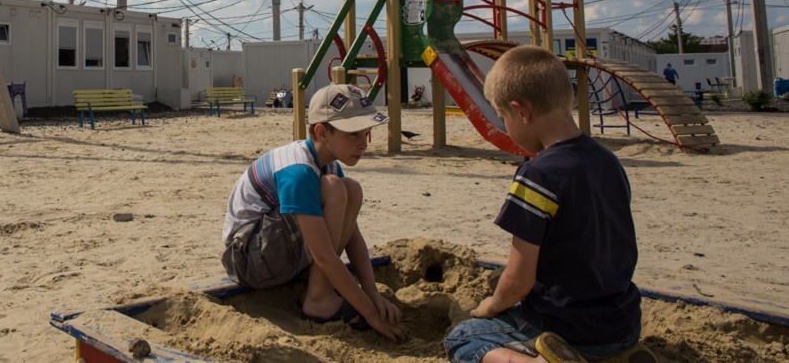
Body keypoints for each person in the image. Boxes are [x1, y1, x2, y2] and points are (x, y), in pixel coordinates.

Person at [444, 46, 654, 363]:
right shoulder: (607, 161)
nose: (505, 127)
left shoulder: (538, 175)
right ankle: (617, 356)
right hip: (622, 324)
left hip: (568, 326)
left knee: (463, 338)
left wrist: (490, 306)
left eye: (503, 118)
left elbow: (518, 283)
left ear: (522, 112)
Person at [221, 84, 405, 341]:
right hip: (247, 261)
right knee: (335, 189)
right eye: (354, 134)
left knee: (350, 188)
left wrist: (371, 293)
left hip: (270, 253)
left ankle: (319, 292)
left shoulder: (328, 164)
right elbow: (324, 256)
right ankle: (319, 298)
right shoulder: (298, 170)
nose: (363, 144)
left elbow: (352, 235)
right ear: (322, 132)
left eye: (367, 133)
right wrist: (371, 313)